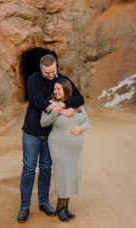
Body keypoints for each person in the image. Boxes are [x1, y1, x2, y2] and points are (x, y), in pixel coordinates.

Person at [17, 54, 84, 223]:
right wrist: (60, 110)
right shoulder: (33, 80)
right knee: (29, 169)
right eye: (47, 73)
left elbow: (78, 98)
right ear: (41, 69)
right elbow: (38, 100)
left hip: (50, 135)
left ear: (56, 67)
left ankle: (44, 203)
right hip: (31, 131)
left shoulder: (62, 79)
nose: (51, 75)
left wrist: (64, 104)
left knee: (46, 168)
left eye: (53, 71)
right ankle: (24, 206)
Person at [40, 78, 90, 222]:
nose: (55, 91)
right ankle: (60, 208)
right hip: (58, 146)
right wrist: (57, 111)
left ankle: (66, 207)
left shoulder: (76, 103)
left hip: (75, 150)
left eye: (58, 89)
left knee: (72, 175)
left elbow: (87, 121)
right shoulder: (49, 104)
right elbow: (43, 122)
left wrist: (81, 129)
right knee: (63, 175)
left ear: (66, 90)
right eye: (54, 89)